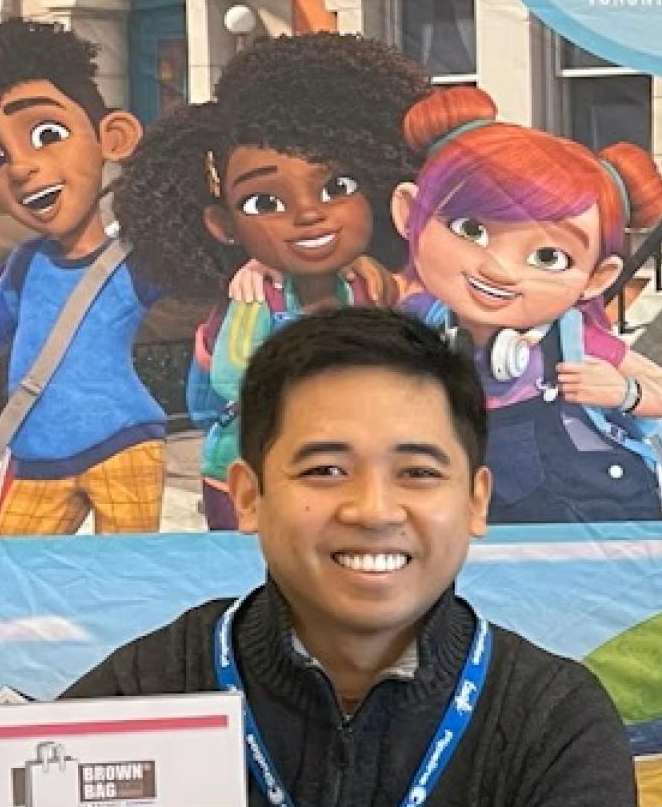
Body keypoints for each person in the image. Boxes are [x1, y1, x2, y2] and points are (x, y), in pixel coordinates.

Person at [64, 308, 647, 807]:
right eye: (325, 469)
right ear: (246, 496)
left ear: (475, 501)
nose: (373, 510)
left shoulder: (549, 712)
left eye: (417, 472)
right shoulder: (143, 695)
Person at [114, 32, 431, 530]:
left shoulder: (371, 288)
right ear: (223, 225)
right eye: (265, 203)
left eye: (337, 187)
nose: (308, 214)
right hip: (252, 477)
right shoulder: (248, 306)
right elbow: (227, 383)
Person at [392, 85, 662, 524]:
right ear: (408, 214)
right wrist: (261, 267)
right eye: (471, 230)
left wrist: (624, 392)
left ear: (596, 279)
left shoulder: (572, 340)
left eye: (549, 257)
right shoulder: (419, 315)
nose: (499, 270)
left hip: (580, 506)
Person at [0, 19, 165, 535]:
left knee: (124, 583)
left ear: (112, 138)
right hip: (32, 454)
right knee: (11, 584)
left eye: (46, 134)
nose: (20, 168)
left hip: (124, 442)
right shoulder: (24, 265)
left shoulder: (138, 261)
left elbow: (199, 300)